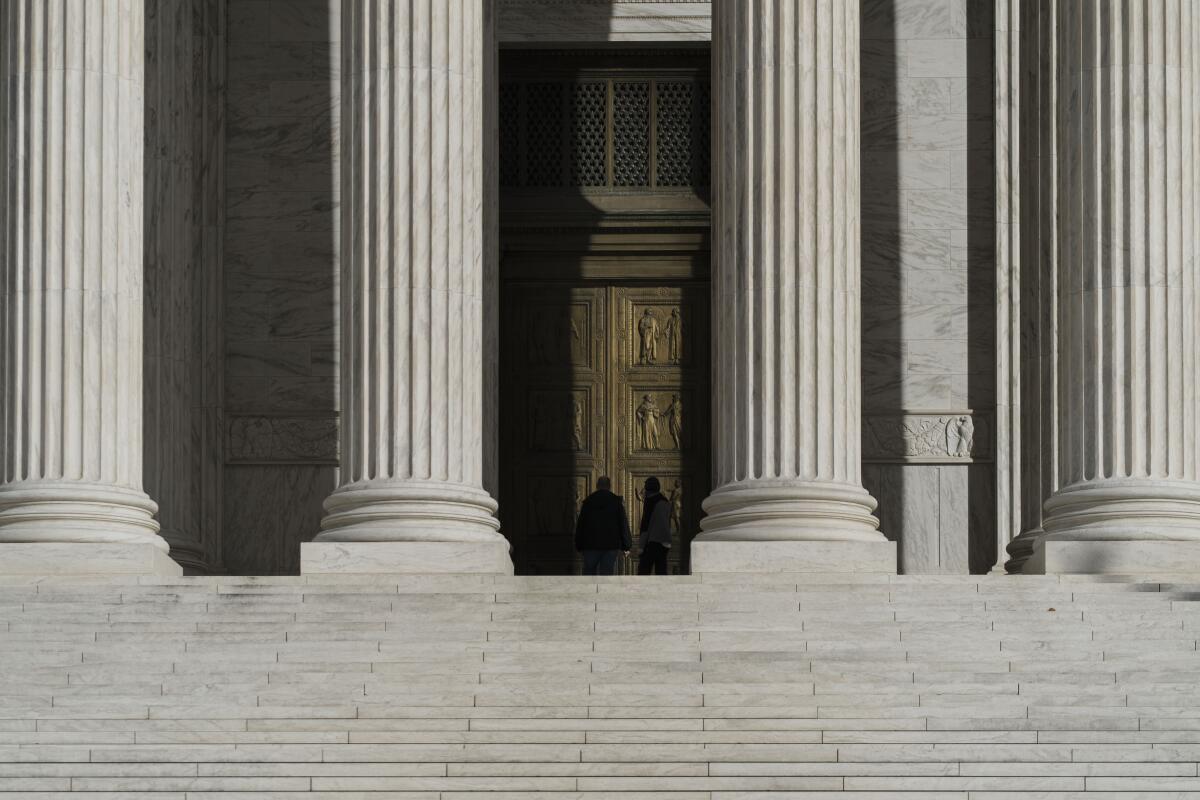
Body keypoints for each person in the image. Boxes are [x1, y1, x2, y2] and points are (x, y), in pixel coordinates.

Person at [574, 476, 631, 575]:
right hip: (610, 545)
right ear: (609, 486)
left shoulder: (588, 501)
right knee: (607, 574)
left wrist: (578, 544)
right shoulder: (616, 502)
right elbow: (623, 524)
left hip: (590, 545)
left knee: (589, 574)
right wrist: (627, 545)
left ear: (597, 486)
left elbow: (581, 525)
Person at [637, 476, 671, 575]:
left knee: (643, 570)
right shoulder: (665, 501)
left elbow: (646, 523)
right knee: (661, 570)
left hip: (652, 540)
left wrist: (641, 546)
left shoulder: (651, 501)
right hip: (665, 540)